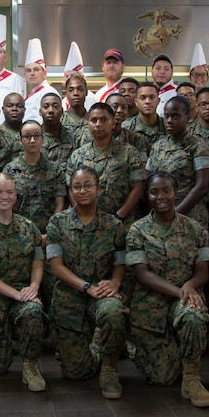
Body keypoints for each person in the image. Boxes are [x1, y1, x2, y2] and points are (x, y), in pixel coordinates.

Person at [126, 172, 209, 407]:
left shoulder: (196, 229)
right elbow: (142, 274)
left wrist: (190, 286)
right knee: (161, 378)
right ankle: (146, 348)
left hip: (184, 302)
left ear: (176, 193)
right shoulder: (137, 230)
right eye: (154, 192)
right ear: (147, 196)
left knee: (193, 317)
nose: (160, 196)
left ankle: (192, 379)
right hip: (150, 307)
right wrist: (180, 291)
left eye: (166, 190)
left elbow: (203, 271)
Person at [47, 166, 129, 399]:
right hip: (69, 297)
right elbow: (56, 266)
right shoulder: (57, 223)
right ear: (71, 190)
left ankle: (110, 369)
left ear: (98, 188)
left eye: (88, 185)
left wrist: (115, 281)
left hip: (101, 294)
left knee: (114, 311)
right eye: (77, 187)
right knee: (75, 373)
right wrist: (86, 287)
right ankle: (96, 347)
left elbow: (120, 262)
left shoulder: (113, 225)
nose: (82, 191)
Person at [0, 174, 47, 391]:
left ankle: (30, 366)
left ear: (15, 195)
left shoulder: (28, 227)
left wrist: (33, 287)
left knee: (33, 311)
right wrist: (16, 294)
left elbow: (37, 261)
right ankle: (1, 348)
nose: (4, 196)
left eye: (9, 192)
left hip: (23, 293)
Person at [65, 102, 147, 221]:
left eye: (103, 120)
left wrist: (119, 215)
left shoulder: (129, 153)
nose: (98, 124)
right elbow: (71, 189)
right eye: (94, 120)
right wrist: (81, 213)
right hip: (86, 222)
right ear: (88, 124)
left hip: (121, 222)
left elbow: (138, 188)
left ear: (113, 123)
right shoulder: (77, 155)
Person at [146, 96, 209, 228]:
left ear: (187, 117)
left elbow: (202, 186)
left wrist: (175, 214)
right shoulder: (158, 146)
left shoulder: (198, 147)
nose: (170, 121)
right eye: (167, 116)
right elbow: (148, 180)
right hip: (160, 214)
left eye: (176, 116)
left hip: (190, 216)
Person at [3, 119, 66, 234]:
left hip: (48, 233)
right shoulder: (10, 170)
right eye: (27, 136)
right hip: (18, 232)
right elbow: (6, 204)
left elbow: (59, 204)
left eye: (36, 136)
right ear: (20, 140)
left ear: (42, 139)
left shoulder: (55, 170)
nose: (32, 140)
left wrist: (51, 231)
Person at [21, 38, 59, 123]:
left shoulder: (49, 92)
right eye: (28, 70)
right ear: (25, 75)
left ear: (44, 73)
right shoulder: (30, 94)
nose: (32, 73)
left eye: (36, 70)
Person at [39, 91, 77, 169]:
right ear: (40, 112)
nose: (51, 110)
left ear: (62, 111)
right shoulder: (32, 137)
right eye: (46, 107)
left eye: (55, 106)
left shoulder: (73, 137)